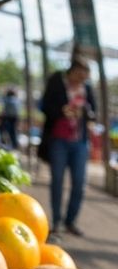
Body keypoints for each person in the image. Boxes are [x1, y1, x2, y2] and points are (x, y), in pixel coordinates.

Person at [39, 56, 96, 237]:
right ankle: (56, 221)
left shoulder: (86, 88)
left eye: (85, 76)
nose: (82, 79)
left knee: (79, 183)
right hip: (58, 139)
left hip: (79, 141)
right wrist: (61, 110)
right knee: (57, 181)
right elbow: (45, 106)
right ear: (72, 71)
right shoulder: (57, 82)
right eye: (80, 75)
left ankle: (70, 221)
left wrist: (85, 113)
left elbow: (93, 112)